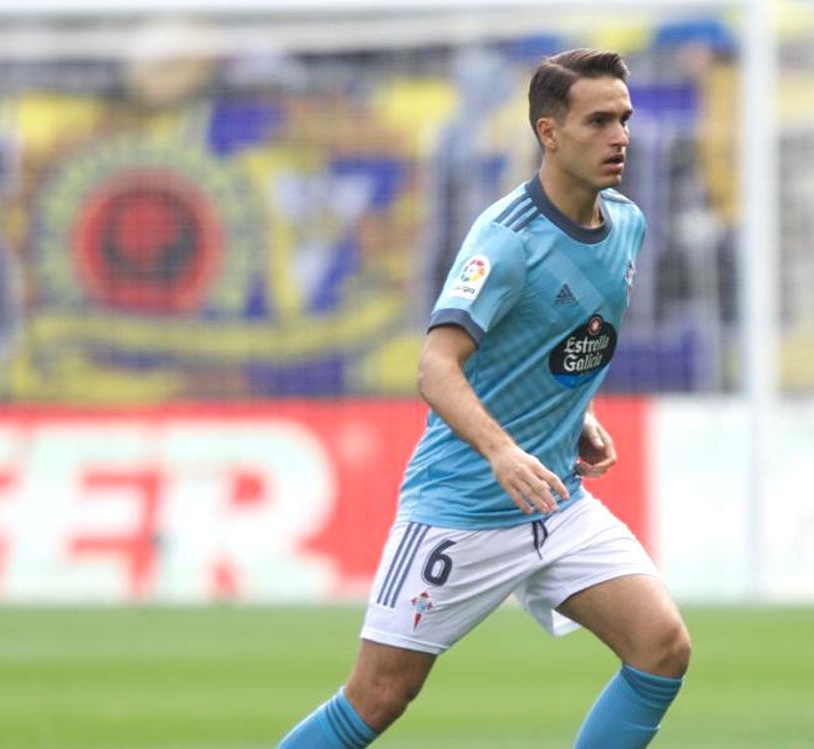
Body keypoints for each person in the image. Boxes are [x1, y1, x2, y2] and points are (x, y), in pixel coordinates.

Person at [278, 48, 690, 749]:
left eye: (623, 118)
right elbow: (436, 366)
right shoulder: (504, 241)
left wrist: (575, 413)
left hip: (553, 500)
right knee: (378, 696)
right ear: (549, 133)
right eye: (598, 121)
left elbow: (547, 340)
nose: (619, 135)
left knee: (661, 646)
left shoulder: (626, 224)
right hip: (462, 506)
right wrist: (501, 449)